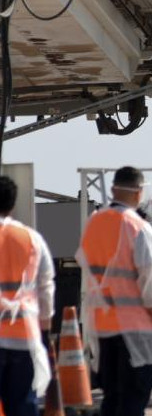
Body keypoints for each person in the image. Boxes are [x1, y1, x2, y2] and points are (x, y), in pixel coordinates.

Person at [75, 166, 152, 416]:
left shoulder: (93, 224)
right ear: (139, 193)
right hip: (135, 331)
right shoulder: (137, 227)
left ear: (114, 189)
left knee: (112, 401)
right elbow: (150, 288)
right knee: (132, 402)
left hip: (103, 328)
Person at [0, 176, 54, 416]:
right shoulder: (33, 239)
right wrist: (45, 331)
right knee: (23, 405)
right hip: (25, 337)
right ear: (12, 205)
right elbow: (45, 289)